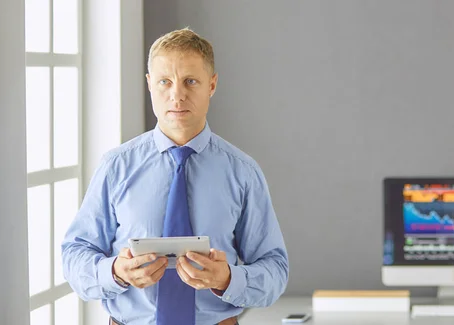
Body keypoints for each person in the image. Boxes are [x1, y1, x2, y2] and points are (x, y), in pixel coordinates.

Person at [61, 28, 289, 325]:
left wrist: (229, 278)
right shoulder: (115, 166)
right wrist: (115, 271)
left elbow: (275, 268)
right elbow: (74, 254)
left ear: (212, 85)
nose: (177, 95)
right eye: (164, 82)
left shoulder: (243, 172)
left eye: (190, 81)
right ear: (149, 85)